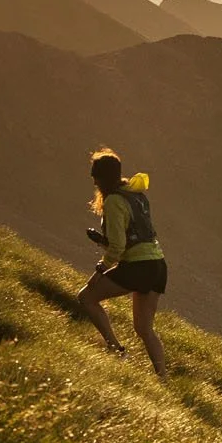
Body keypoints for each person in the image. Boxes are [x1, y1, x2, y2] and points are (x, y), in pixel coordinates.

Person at [76, 148, 168, 377]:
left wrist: (100, 270)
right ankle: (164, 379)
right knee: (144, 329)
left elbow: (118, 248)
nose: (94, 182)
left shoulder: (114, 202)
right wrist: (103, 241)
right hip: (157, 265)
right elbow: (132, 238)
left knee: (86, 297)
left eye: (95, 178)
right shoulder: (136, 194)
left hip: (138, 266)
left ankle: (116, 350)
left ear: (100, 179)